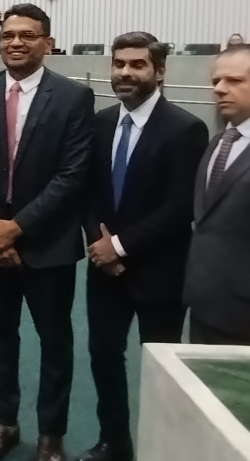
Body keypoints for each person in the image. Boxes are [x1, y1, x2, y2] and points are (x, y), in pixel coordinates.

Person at [0, 3, 94, 461]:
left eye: (28, 35)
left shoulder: (75, 98)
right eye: (9, 34)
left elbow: (73, 174)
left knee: (55, 341)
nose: (16, 42)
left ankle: (51, 435)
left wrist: (17, 228)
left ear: (48, 42)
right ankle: (5, 422)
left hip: (48, 243)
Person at [77, 33, 208, 461]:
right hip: (104, 271)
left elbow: (179, 205)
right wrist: (99, 244)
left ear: (159, 70)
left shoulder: (186, 128)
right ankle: (114, 442)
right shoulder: (100, 122)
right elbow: (89, 192)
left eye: (137, 65)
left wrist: (119, 245)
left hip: (161, 272)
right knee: (104, 358)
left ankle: (162, 448)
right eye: (119, 64)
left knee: (161, 370)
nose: (125, 73)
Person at [184, 44, 250, 346]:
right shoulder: (219, 142)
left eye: (235, 81)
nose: (221, 90)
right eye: (216, 82)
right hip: (207, 307)